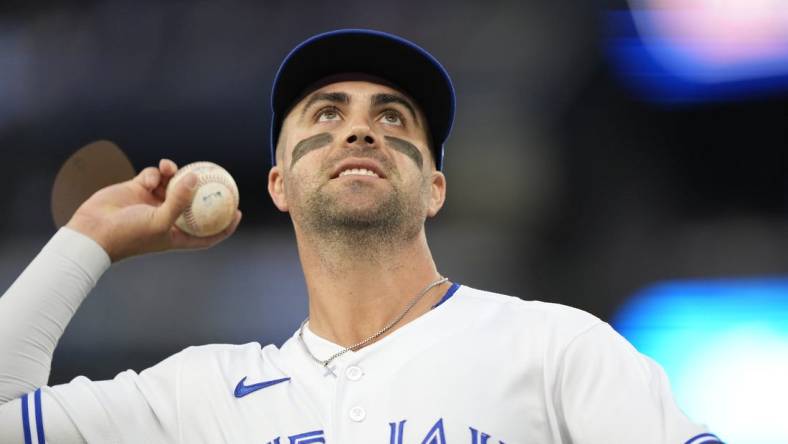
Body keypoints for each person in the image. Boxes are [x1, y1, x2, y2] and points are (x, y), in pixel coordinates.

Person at [0, 29, 721, 444]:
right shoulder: (202, 396)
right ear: (278, 184)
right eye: (323, 114)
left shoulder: (554, 348)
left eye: (394, 118)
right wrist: (89, 236)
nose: (357, 127)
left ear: (434, 188)